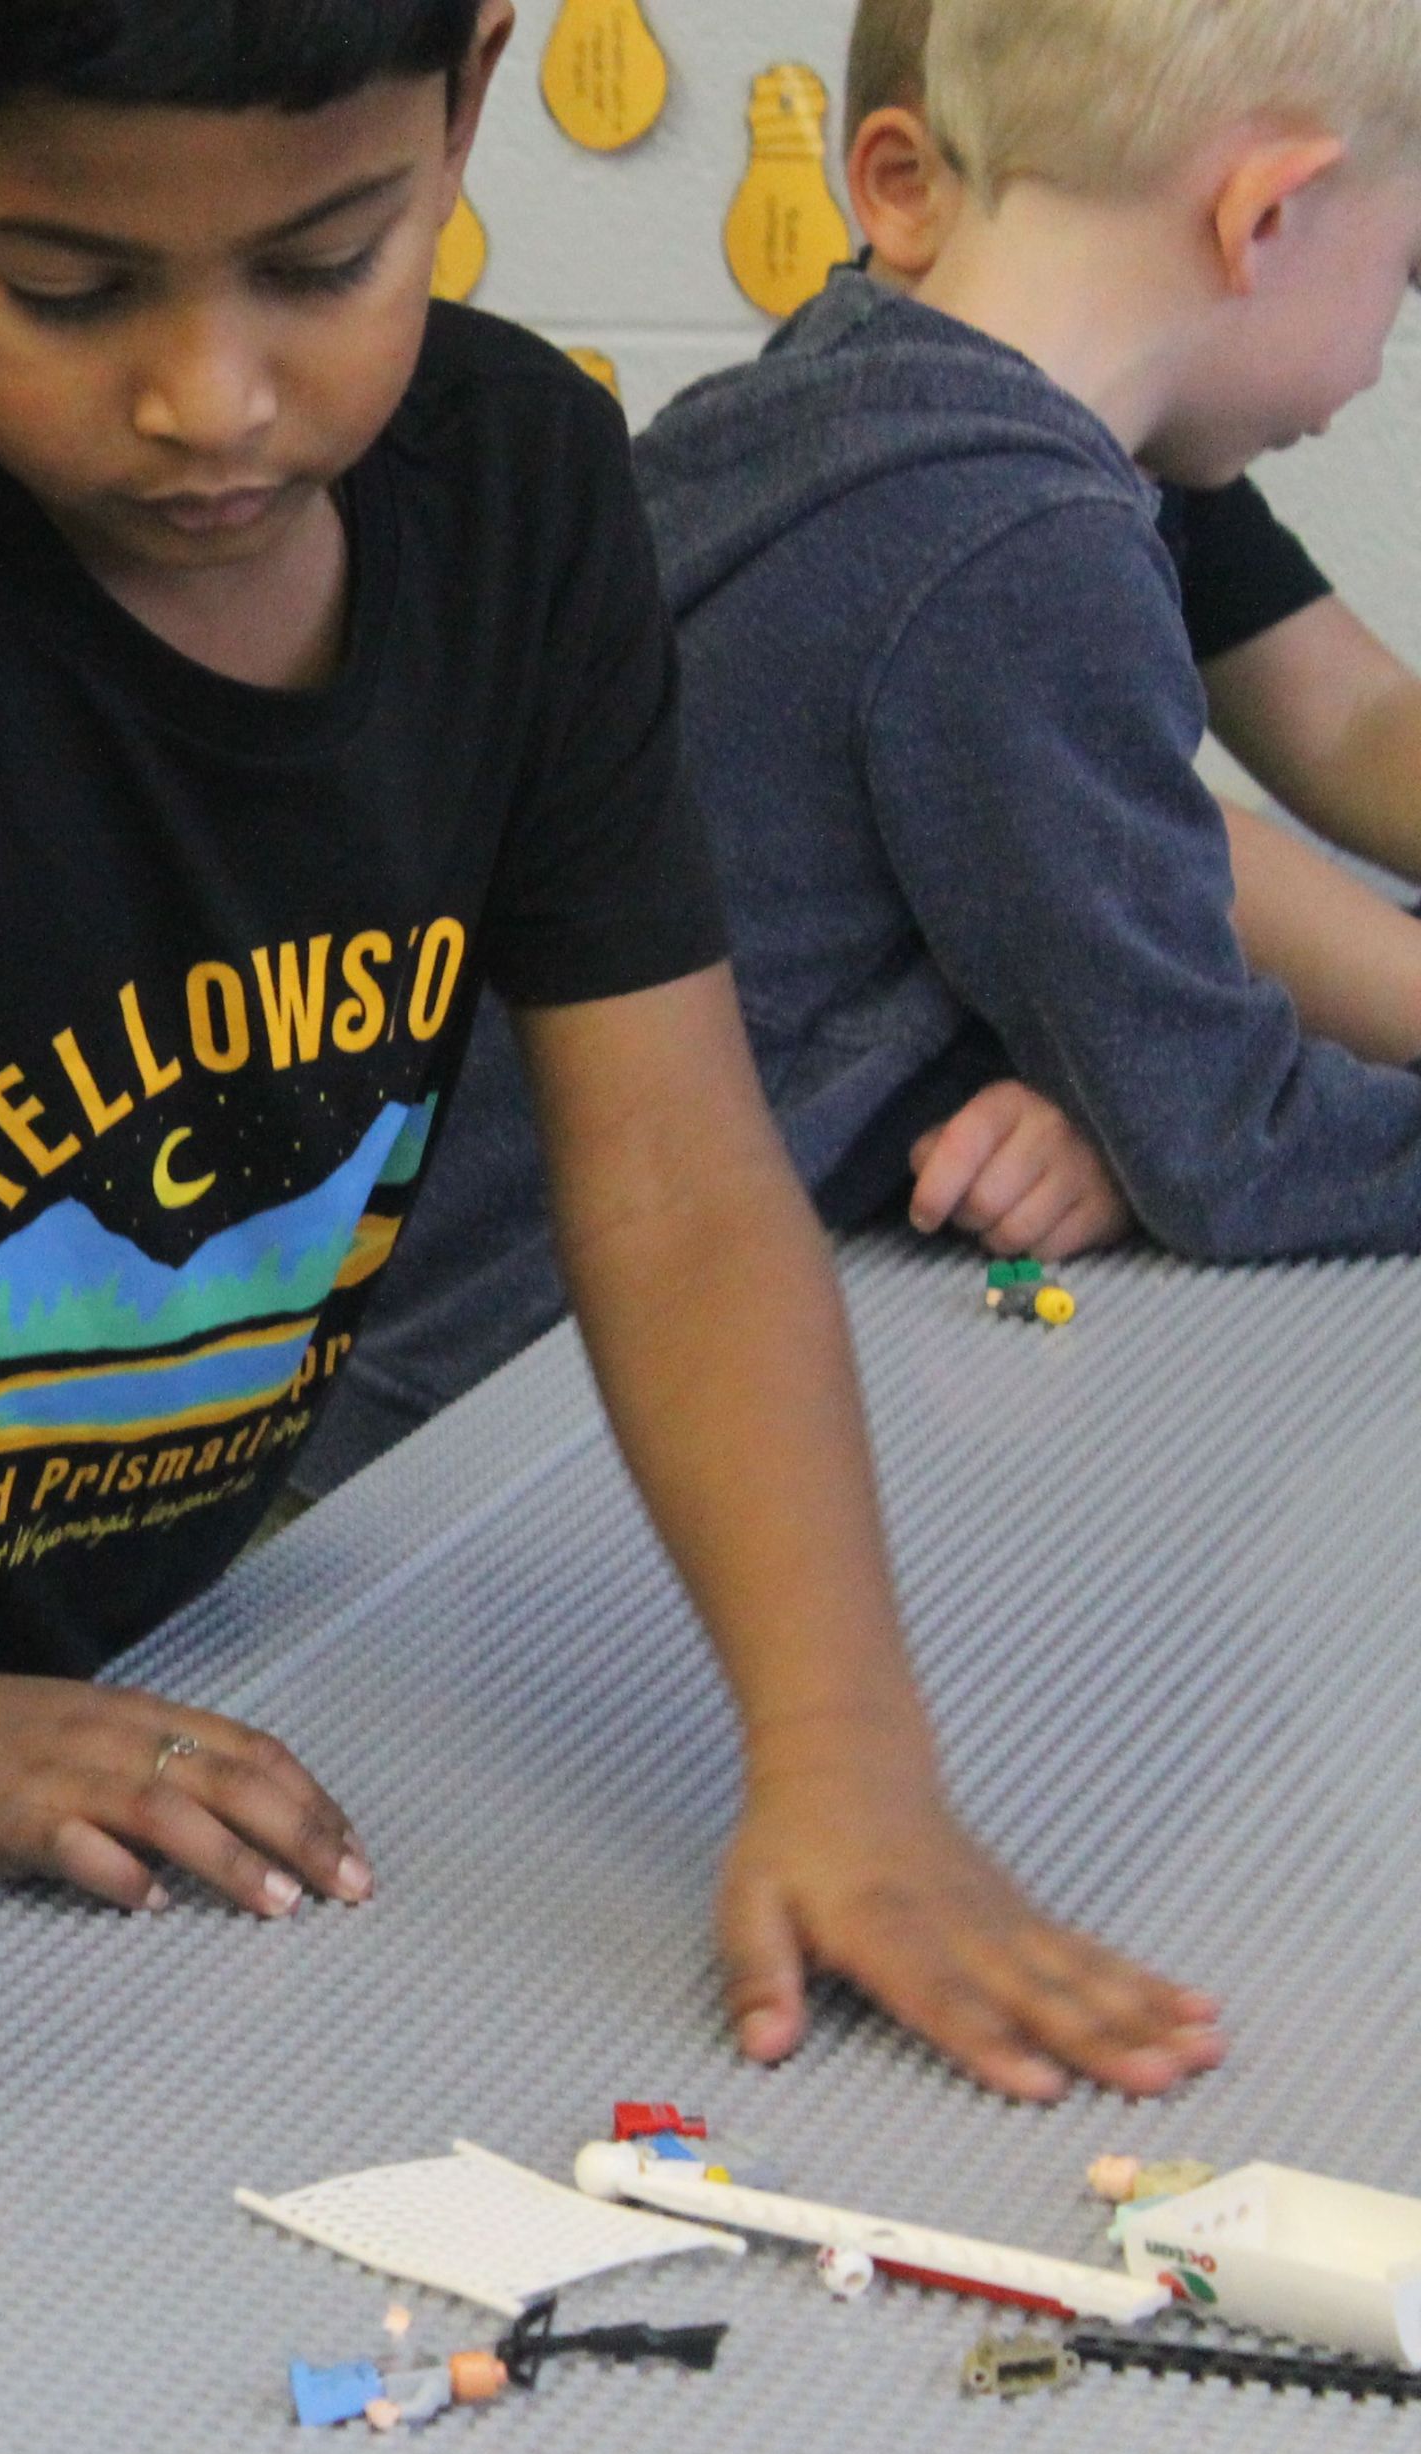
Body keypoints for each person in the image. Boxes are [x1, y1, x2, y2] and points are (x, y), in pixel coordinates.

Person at [0, 0, 1218, 2103]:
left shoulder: (525, 497)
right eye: (70, 290)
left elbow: (670, 1171)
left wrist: (847, 1761)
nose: (213, 398)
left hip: (122, 1689)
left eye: (322, 262)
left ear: (465, 106)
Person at [323, 0, 1421, 1497]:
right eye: (1402, 271)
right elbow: (1233, 1148)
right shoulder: (1032, 547)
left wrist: (1106, 1091)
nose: (1379, 349)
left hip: (382, 1344)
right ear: (1268, 214)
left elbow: (823, 929)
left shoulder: (827, 400)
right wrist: (1156, 1105)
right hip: (488, 1423)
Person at [846, 0, 1421, 1081]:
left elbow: (1350, 716)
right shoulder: (970, 509)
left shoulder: (1135, 441)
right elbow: (1141, 846)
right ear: (908, 185)